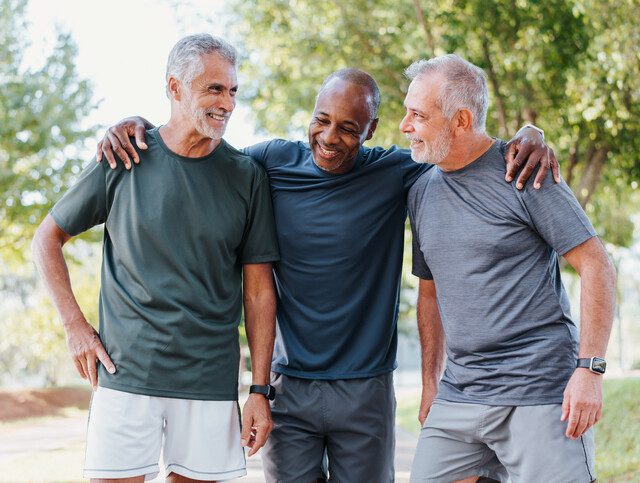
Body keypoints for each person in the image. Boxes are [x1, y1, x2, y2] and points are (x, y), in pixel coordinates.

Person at [96, 67, 556, 482]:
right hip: (288, 388)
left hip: (366, 390)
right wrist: (138, 125)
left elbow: (461, 150)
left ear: (372, 129)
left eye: (349, 128)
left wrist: (529, 133)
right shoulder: (270, 162)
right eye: (322, 119)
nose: (330, 137)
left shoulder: (397, 172)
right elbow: (199, 149)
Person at [32, 34, 280, 482]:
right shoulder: (124, 156)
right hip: (126, 373)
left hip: (209, 381)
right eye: (213, 89)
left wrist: (259, 390)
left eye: (233, 90)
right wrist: (75, 327)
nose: (227, 103)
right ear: (174, 87)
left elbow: (259, 293)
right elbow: (46, 238)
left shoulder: (247, 177)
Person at [402, 54, 616, 483]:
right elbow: (431, 290)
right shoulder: (421, 190)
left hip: (538, 391)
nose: (404, 126)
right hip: (459, 396)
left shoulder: (526, 172)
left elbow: (597, 266)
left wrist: (590, 371)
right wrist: (430, 382)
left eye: (418, 115)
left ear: (461, 120)